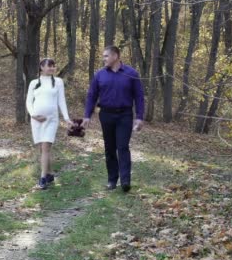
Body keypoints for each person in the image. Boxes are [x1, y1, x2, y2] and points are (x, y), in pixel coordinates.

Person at [82, 46, 145, 192]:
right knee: (110, 148)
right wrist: (87, 115)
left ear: (116, 56)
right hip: (106, 115)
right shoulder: (100, 75)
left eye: (106, 56)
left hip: (125, 115)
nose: (103, 59)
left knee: (122, 147)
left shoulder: (131, 73)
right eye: (103, 56)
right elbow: (92, 96)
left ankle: (125, 181)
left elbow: (139, 97)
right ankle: (112, 179)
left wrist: (140, 117)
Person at [26, 58, 73, 190]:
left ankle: (42, 178)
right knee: (42, 149)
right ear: (41, 67)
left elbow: (61, 101)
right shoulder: (34, 83)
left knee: (46, 147)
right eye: (49, 66)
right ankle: (50, 173)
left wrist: (66, 118)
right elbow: (29, 102)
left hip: (51, 120)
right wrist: (33, 115)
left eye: (54, 66)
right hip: (36, 120)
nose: (52, 68)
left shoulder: (58, 82)